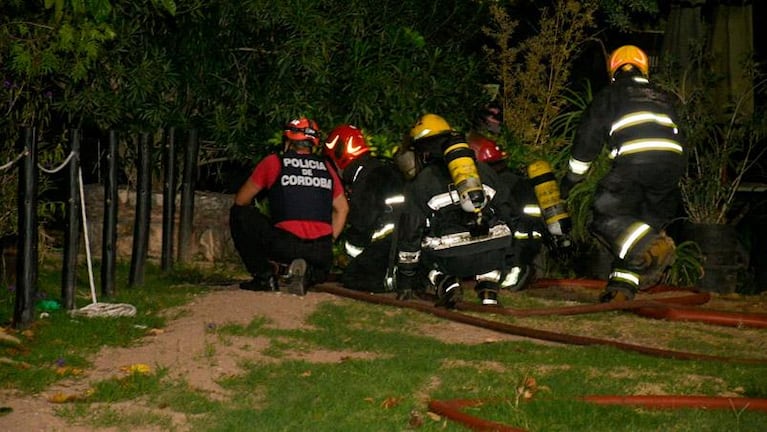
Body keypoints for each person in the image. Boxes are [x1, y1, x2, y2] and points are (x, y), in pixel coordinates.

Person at [560, 45, 686, 302]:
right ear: (644, 69)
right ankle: (622, 289)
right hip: (671, 167)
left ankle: (653, 247)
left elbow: (587, 139)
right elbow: (680, 134)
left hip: (634, 163)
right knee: (638, 224)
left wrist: (572, 179)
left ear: (613, 70)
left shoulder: (611, 95)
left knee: (605, 216)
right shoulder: (664, 97)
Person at [394, 113, 515, 306]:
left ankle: (448, 284)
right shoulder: (483, 170)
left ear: (422, 152)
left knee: (424, 246)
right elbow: (508, 211)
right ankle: (488, 289)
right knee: (493, 237)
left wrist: (406, 280)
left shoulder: (423, 182)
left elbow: (411, 233)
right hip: (493, 254)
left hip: (452, 259)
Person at [229, 117, 349, 295]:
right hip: (321, 250)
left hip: (286, 245)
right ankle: (307, 273)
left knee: (239, 214)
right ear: (313, 144)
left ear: (287, 141)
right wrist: (328, 241)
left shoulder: (274, 162)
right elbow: (342, 209)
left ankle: (264, 276)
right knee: (319, 268)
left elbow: (241, 200)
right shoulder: (326, 167)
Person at [322, 124, 406, 292]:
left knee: (352, 278)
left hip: (389, 247)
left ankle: (394, 282)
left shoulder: (365, 181)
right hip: (408, 245)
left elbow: (361, 227)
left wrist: (347, 258)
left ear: (340, 155)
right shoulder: (383, 168)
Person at [467, 134, 545, 291]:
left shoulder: (496, 182)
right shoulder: (513, 179)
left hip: (516, 247)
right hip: (530, 240)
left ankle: (515, 273)